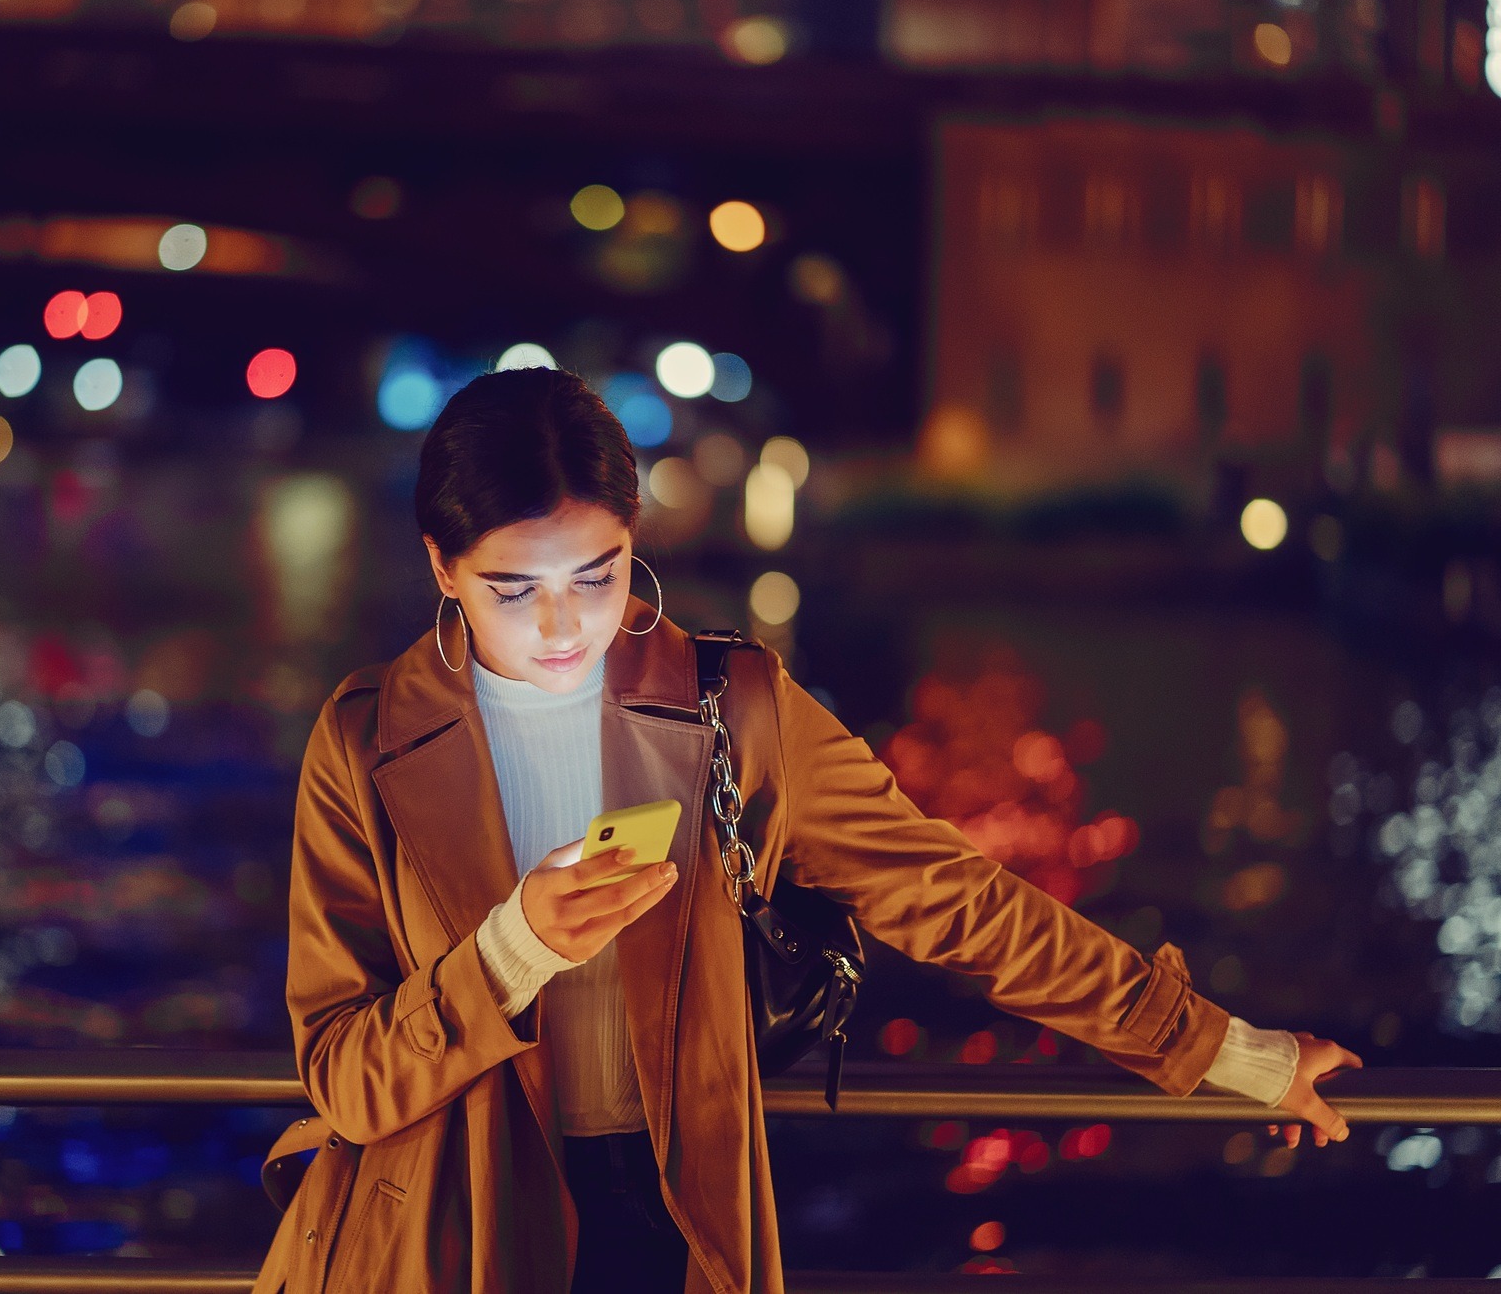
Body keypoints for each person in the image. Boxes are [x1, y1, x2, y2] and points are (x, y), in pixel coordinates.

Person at [252, 367, 1362, 1294]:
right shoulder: (364, 742)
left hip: (673, 1214)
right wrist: (514, 949)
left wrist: (1231, 1052)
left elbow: (960, 903)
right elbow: (342, 1077)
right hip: (442, 1233)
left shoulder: (732, 706)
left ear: (634, 537)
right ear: (442, 569)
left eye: (594, 576)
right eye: (511, 588)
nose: (561, 625)